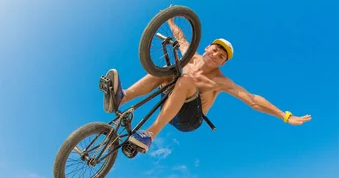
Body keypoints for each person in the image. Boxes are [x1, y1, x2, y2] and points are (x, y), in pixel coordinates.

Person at [100, 17, 312, 153]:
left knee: (185, 80)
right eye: (215, 49)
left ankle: (150, 134)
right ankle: (122, 97)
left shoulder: (220, 81)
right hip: (172, 106)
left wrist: (285, 116)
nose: (216, 55)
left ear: (223, 63)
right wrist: (171, 21)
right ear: (208, 47)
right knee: (167, 69)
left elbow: (253, 100)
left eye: (222, 56)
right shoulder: (190, 57)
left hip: (189, 120)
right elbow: (182, 39)